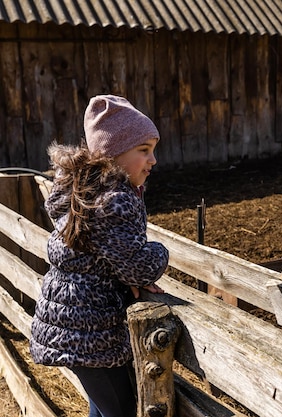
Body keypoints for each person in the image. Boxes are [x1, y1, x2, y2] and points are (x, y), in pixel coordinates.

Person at [29, 95, 169, 417]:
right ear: (114, 155)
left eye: (153, 149)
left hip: (77, 326)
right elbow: (139, 266)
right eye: (144, 150)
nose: (154, 160)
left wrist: (120, 278)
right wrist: (162, 251)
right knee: (118, 410)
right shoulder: (113, 202)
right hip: (87, 329)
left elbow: (106, 258)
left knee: (104, 407)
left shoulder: (89, 193)